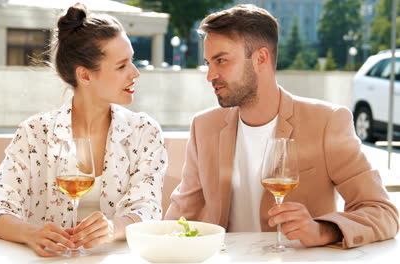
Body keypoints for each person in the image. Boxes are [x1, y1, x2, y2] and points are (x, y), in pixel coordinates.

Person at [165, 4, 398, 248]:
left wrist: (323, 230)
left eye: (221, 60)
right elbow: (180, 216)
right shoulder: (204, 126)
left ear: (260, 58)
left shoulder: (327, 122)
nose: (210, 75)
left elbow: (382, 211)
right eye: (208, 63)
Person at [0, 3, 167, 257]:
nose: (135, 73)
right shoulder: (35, 133)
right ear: (85, 76)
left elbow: (148, 210)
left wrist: (113, 228)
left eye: (132, 61)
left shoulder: (145, 132)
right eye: (122, 66)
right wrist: (30, 233)